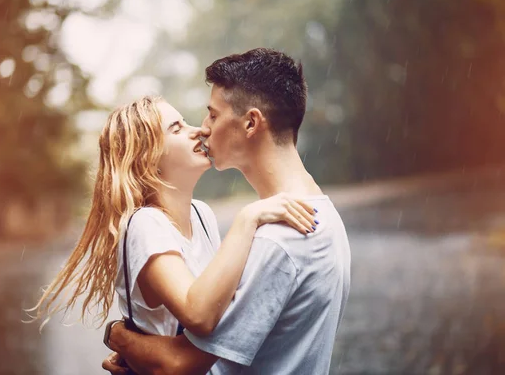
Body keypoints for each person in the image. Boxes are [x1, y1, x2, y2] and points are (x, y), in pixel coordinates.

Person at [102, 48, 351, 375]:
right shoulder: (323, 215)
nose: (202, 128)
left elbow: (181, 362)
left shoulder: (278, 239)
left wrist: (121, 338)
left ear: (250, 123)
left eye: (213, 115)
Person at [29, 96, 319, 351]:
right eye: (177, 128)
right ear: (148, 157)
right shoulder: (144, 224)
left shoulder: (201, 215)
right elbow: (198, 316)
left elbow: (224, 302)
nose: (200, 131)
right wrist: (248, 218)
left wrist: (119, 337)